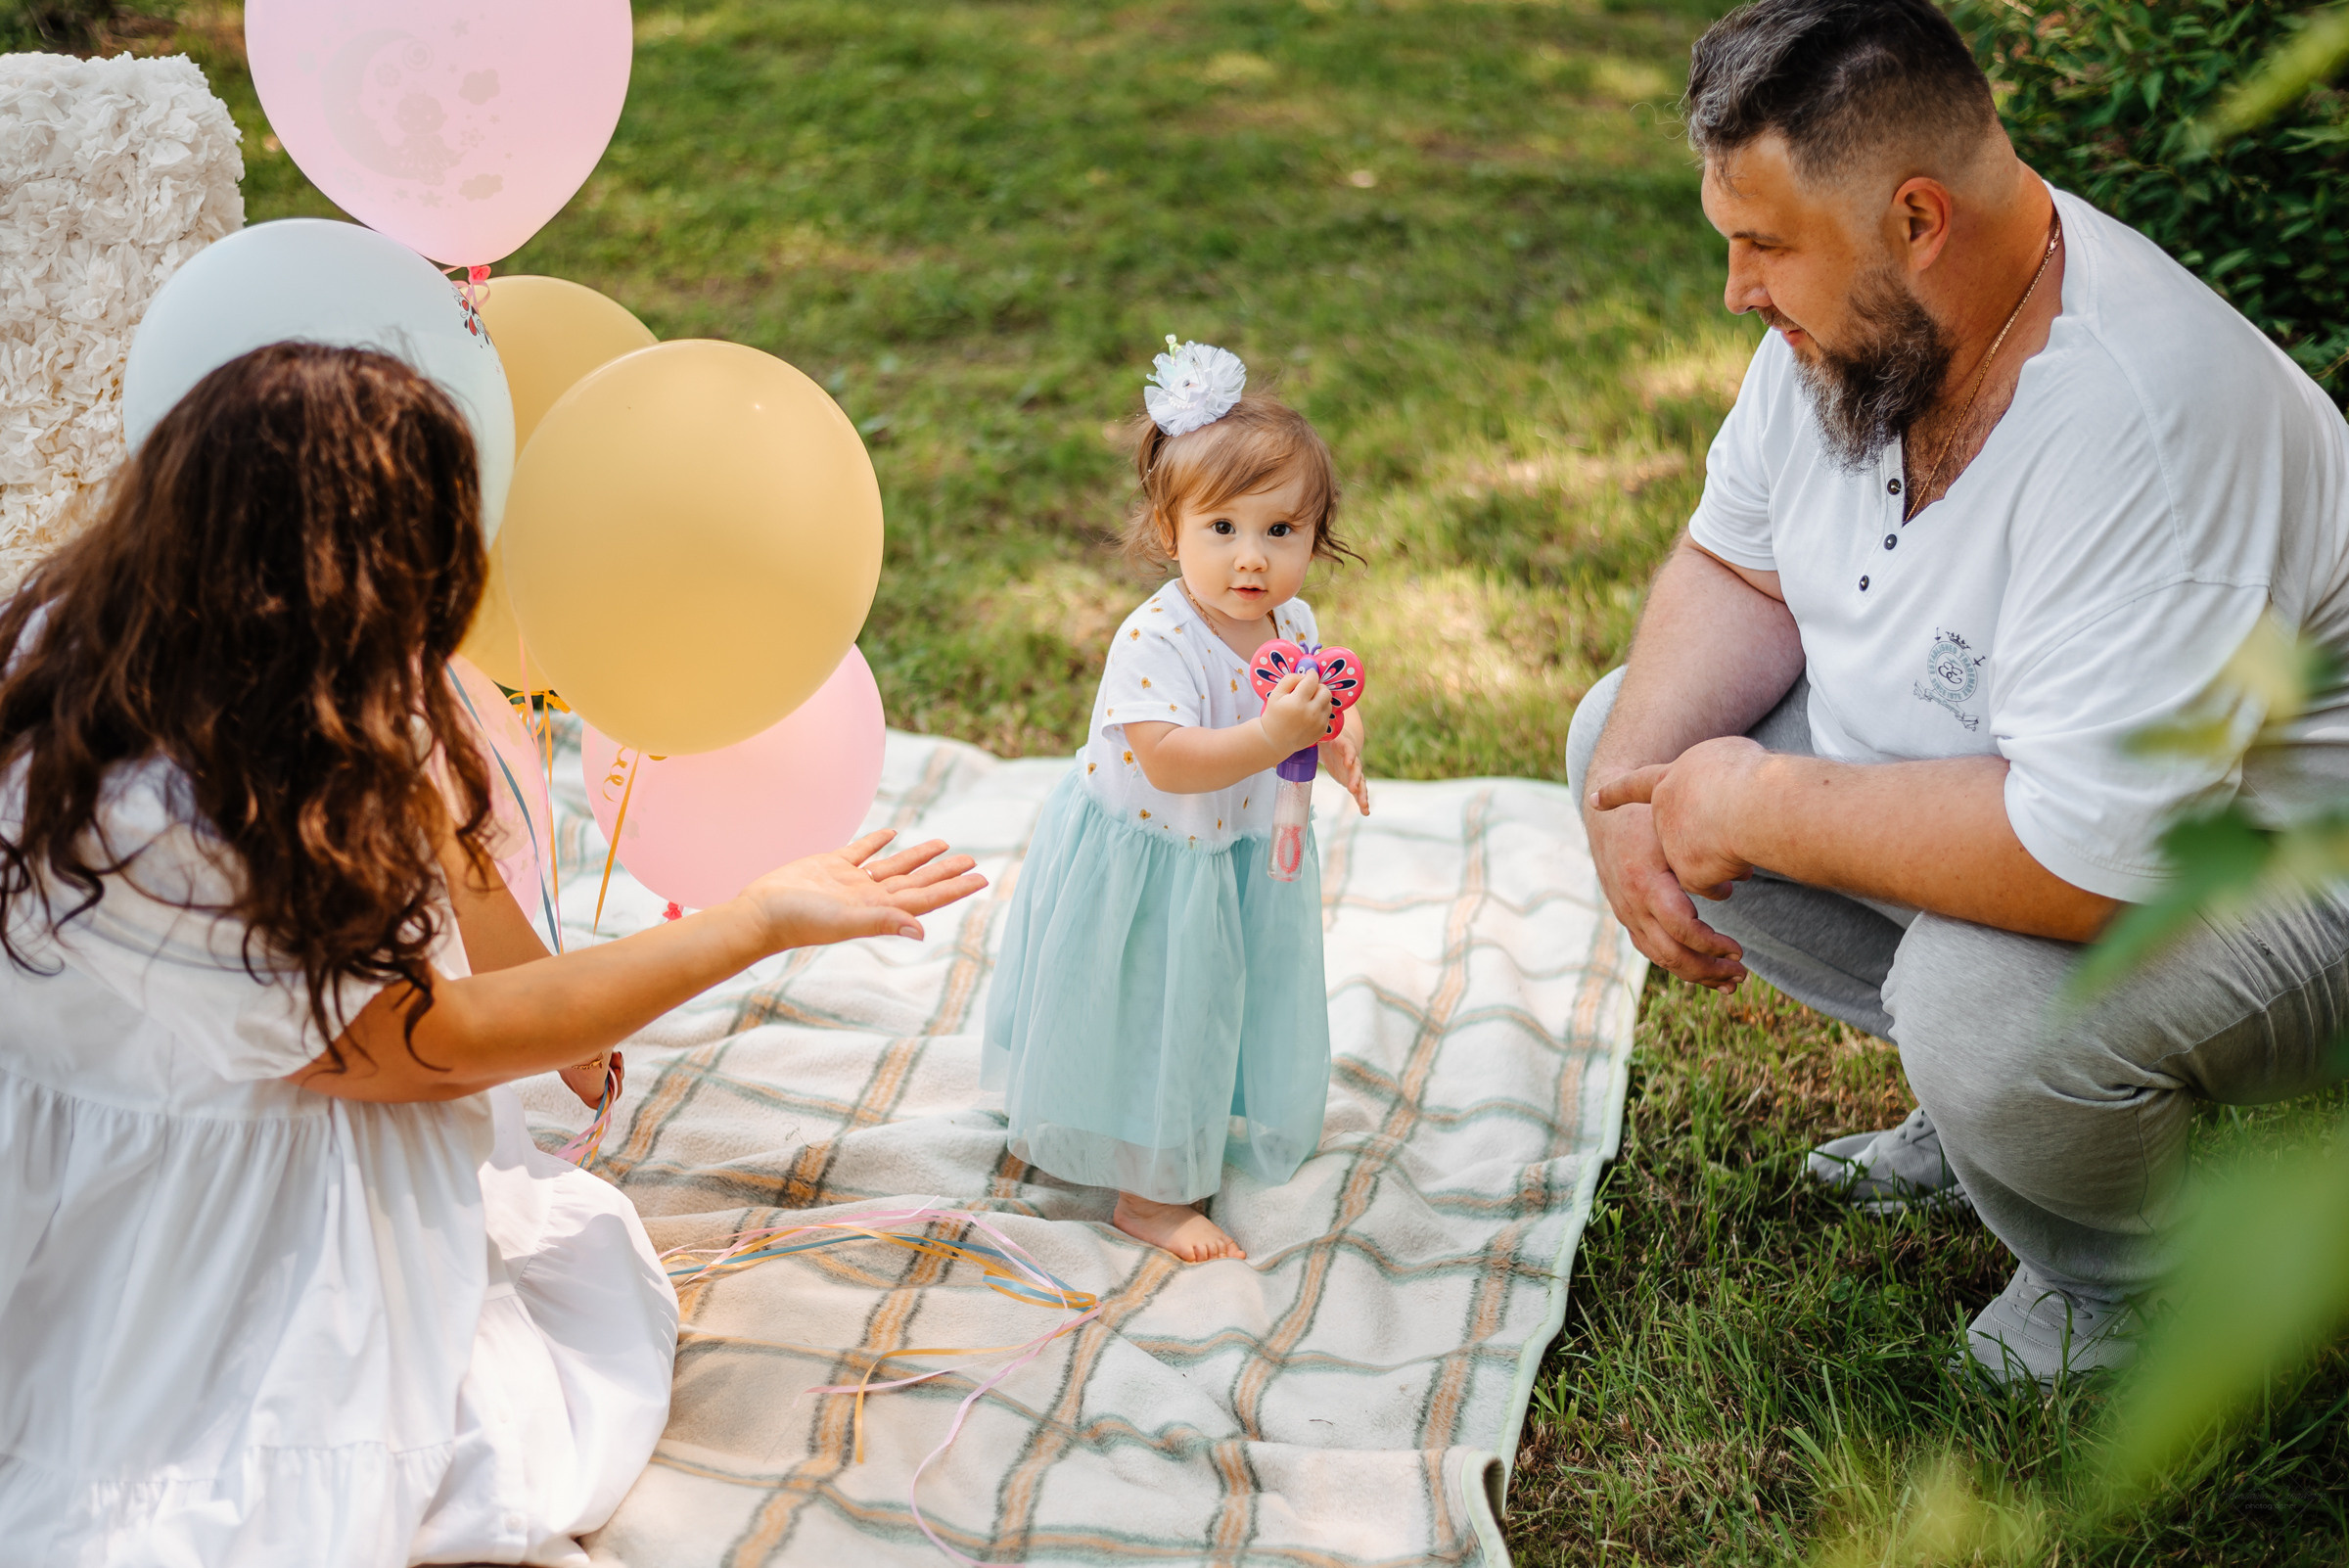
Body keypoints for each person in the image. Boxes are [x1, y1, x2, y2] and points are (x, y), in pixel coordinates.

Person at [0, 343, 986, 1564]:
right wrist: (757, 920)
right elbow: (424, 1047)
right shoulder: (158, 799)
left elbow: (432, 822)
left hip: (268, 1067)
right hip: (168, 1173)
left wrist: (565, 1009)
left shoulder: (293, 655)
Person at [1567, 0, 2349, 1385]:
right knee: (1628, 736)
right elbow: (1733, 566)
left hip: (2281, 868)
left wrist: (1756, 798)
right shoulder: (1865, 330)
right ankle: (1996, 1124)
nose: (1736, 290)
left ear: (1917, 218)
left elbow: (2093, 861)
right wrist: (1638, 779)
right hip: (2059, 792)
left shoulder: (2146, 424)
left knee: (1978, 994)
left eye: (1762, 246)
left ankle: (2126, 1280)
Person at [982, 340, 1369, 1263]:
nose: (1252, 559)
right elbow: (1170, 762)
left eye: (1281, 532)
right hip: (1152, 867)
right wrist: (1275, 738)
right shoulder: (1156, 637)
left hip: (1237, 856)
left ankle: (1208, 1110)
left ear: (1316, 536)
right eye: (1223, 529)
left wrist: (1338, 740)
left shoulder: (1294, 624)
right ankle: (1150, 1197)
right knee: (1156, 1008)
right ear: (1170, 532)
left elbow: (1316, 703)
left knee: (1227, 995)